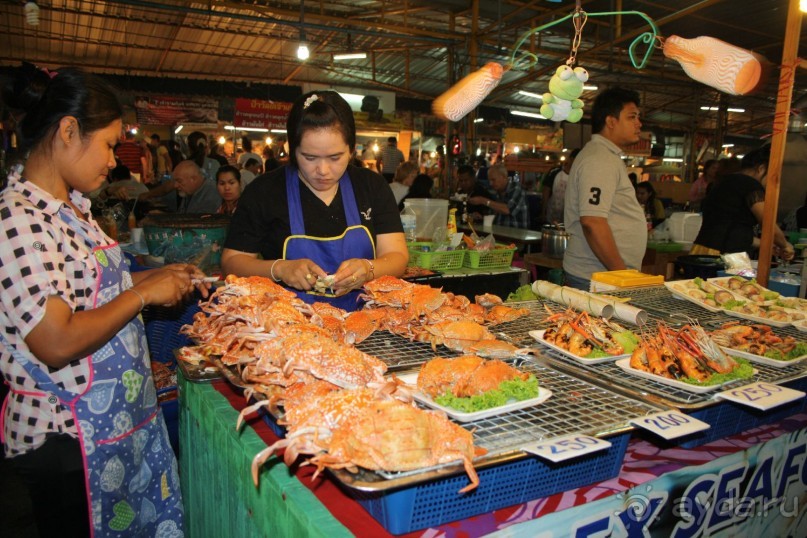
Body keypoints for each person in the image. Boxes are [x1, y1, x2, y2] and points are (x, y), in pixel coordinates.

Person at [0, 63, 207, 537]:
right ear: (68, 130)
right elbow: (54, 339)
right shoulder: (17, 220)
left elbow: (89, 289)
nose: (114, 159)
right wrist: (141, 293)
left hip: (113, 422)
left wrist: (158, 276)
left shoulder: (72, 210)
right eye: (110, 144)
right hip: (67, 436)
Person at [221, 90, 408, 311]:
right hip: (290, 325)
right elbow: (231, 261)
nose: (323, 171)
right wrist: (279, 269)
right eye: (309, 158)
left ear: (351, 149)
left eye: (335, 157)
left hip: (365, 321)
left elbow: (397, 255)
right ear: (292, 150)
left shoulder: (371, 186)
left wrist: (369, 268)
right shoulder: (264, 192)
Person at [563, 87, 647, 290]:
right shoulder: (600, 159)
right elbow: (592, 221)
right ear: (611, 121)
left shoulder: (606, 157)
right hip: (595, 278)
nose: (639, 124)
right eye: (632, 117)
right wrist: (621, 275)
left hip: (601, 276)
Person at [691, 146, 795, 260]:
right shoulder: (751, 185)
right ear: (761, 168)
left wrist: (769, 245)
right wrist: (785, 245)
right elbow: (768, 224)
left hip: (702, 251)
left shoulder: (725, 182)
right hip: (724, 257)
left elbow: (734, 230)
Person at [468, 163, 529, 228]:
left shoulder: (516, 189)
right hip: (499, 232)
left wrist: (483, 200)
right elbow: (497, 217)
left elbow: (507, 209)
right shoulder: (496, 192)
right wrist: (482, 218)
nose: (490, 183)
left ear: (504, 177)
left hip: (516, 234)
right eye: (489, 180)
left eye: (493, 180)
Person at [545, 148, 580, 224]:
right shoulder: (555, 172)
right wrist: (543, 212)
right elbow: (546, 191)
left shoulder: (579, 176)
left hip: (568, 219)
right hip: (551, 216)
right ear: (571, 159)